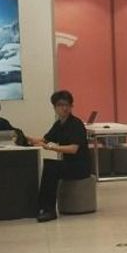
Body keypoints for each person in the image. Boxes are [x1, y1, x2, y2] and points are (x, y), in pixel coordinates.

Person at [29, 90, 91, 222]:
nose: (64, 108)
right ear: (55, 107)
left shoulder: (76, 124)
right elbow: (44, 139)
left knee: (51, 167)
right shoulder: (59, 124)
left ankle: (48, 210)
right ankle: (43, 207)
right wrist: (27, 139)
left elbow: (73, 149)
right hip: (69, 164)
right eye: (60, 105)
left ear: (71, 106)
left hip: (80, 166)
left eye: (67, 105)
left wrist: (51, 147)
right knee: (49, 165)